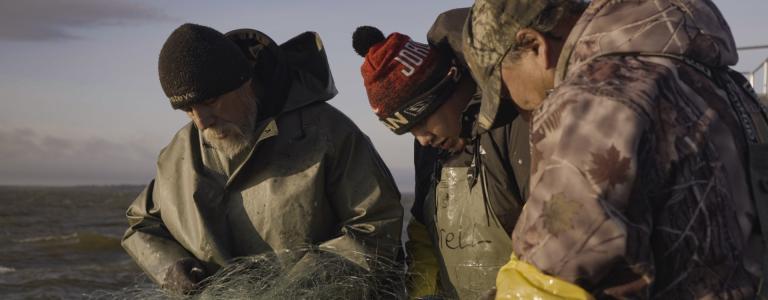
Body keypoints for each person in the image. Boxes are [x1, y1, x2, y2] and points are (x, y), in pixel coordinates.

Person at [463, 0, 768, 298]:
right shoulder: (722, 82)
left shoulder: (593, 99)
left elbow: (558, 275)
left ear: (534, 45)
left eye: (502, 90)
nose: (516, 106)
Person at [121, 23, 404, 296]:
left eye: (209, 101)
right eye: (186, 109)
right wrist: (170, 268)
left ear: (245, 82)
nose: (202, 122)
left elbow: (376, 227)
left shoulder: (327, 132)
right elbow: (141, 224)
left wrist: (293, 292)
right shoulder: (178, 154)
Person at [352, 8, 530, 298]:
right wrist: (422, 294)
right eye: (408, 131)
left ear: (448, 84)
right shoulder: (429, 150)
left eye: (421, 121)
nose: (422, 139)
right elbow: (423, 234)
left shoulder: (516, 124)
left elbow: (555, 248)